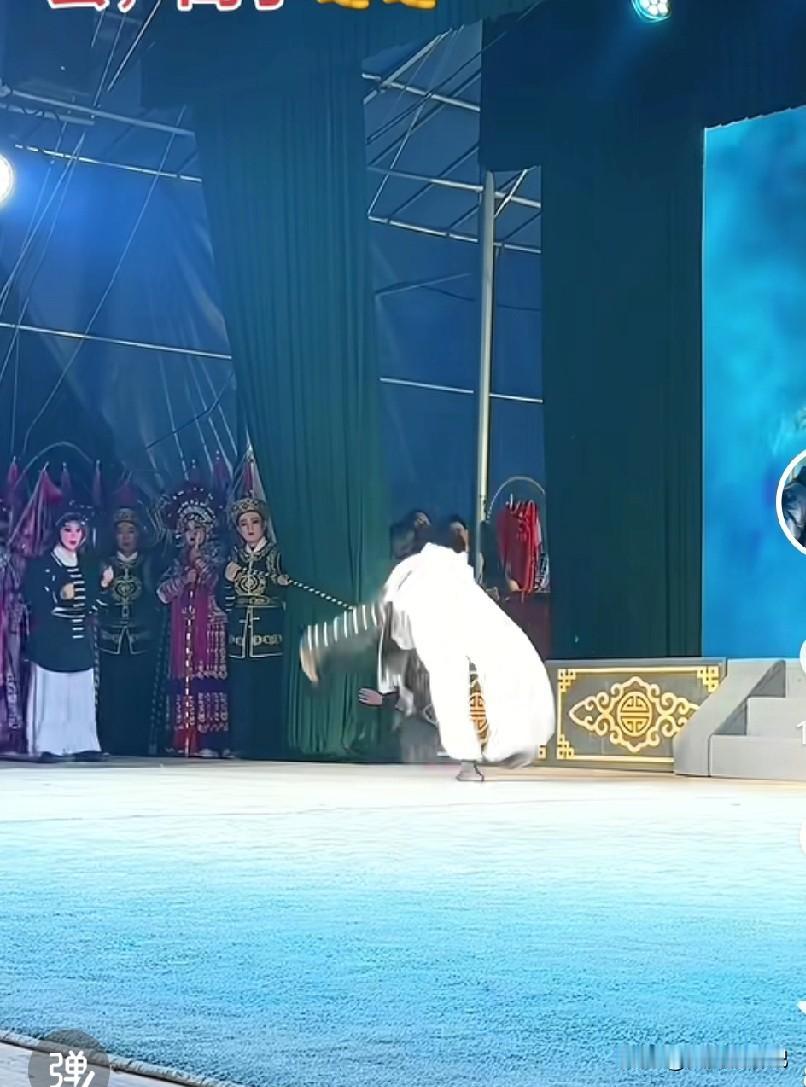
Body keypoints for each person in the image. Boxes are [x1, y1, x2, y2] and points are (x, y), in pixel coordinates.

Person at [300, 519, 555, 780]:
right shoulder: (428, 571)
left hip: (437, 621)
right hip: (427, 620)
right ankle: (490, 750)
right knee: (452, 677)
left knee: (471, 674)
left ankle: (504, 745)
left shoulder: (456, 576)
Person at [23, 509, 112, 763]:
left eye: (77, 530)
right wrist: (58, 596)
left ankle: (84, 744)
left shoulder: (88, 565)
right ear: (58, 532)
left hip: (79, 640)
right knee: (53, 694)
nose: (73, 535)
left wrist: (104, 587)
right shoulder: (43, 565)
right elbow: (32, 599)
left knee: (81, 695)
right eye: (67, 530)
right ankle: (49, 745)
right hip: (52, 641)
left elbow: (93, 606)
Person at [157, 485, 229, 758]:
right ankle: (184, 738)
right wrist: (181, 581)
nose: (192, 534)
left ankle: (210, 740)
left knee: (207, 679)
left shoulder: (218, 554)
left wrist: (199, 563)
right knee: (184, 680)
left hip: (210, 626)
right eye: (187, 528)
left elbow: (220, 586)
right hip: (182, 626)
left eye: (197, 527)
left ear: (208, 529)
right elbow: (162, 593)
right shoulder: (176, 559)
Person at [217, 496, 288, 758]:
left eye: (254, 522)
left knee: (267, 693)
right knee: (241, 694)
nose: (249, 528)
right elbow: (223, 600)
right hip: (240, 639)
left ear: (263, 525)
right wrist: (227, 581)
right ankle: (241, 745)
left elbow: (284, 590)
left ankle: (268, 747)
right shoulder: (233, 557)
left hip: (268, 636)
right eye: (243, 524)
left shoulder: (276, 555)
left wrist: (270, 581)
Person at [97, 506, 160, 756]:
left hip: (141, 640)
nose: (125, 537)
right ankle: (110, 743)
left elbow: (156, 601)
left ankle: (138, 744)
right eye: (120, 532)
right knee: (112, 692)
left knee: (139, 692)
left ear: (139, 535)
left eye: (130, 531)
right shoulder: (104, 564)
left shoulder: (149, 564)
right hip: (110, 640)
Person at [0, 500, 26, 754]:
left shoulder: (13, 559)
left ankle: (8, 733)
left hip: (6, 625)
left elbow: (20, 592)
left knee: (9, 674)